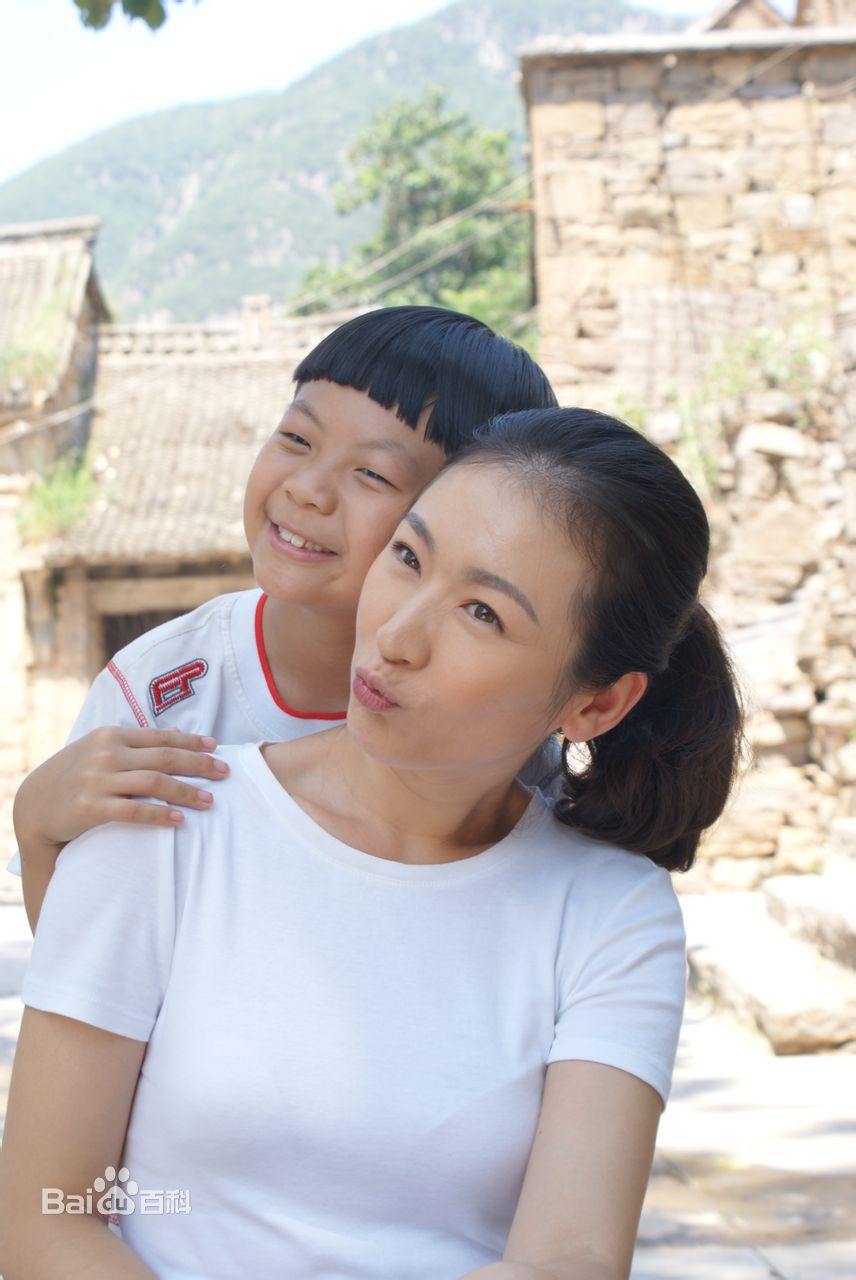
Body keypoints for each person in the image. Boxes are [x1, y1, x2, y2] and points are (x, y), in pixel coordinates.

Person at [0, 408, 743, 1280]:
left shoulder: (611, 916)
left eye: (481, 612)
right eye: (407, 557)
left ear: (597, 704)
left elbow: (567, 1259)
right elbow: (46, 1218)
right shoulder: (166, 819)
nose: (395, 636)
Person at [10, 305, 557, 931]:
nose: (307, 489)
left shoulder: (494, 728)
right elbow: (79, 956)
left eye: (372, 474)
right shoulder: (158, 691)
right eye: (296, 438)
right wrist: (36, 822)